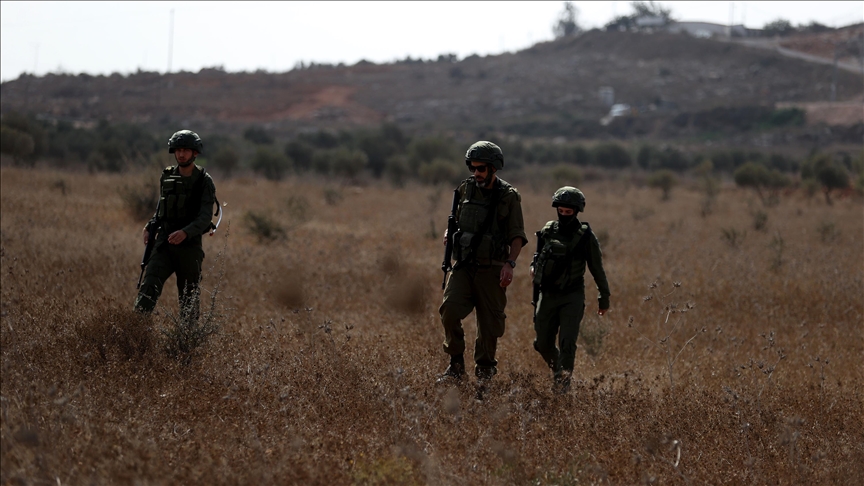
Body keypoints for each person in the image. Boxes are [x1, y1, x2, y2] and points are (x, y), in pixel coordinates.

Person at [438, 141, 528, 383]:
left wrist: (510, 264)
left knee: (489, 325)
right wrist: (451, 233)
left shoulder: (508, 196)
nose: (475, 173)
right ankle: (456, 366)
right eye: (472, 167)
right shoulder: (465, 190)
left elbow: (517, 236)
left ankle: (485, 375)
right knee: (449, 310)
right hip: (464, 266)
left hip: (492, 269)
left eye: (480, 168)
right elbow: (456, 220)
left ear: (493, 168)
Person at [530, 186, 610, 393]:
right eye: (561, 211)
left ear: (577, 211)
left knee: (567, 343)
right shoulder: (548, 231)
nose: (564, 215)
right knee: (542, 343)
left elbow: (597, 269)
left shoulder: (585, 237)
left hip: (572, 296)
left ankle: (562, 386)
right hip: (547, 294)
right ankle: (559, 370)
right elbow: (538, 258)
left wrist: (604, 297)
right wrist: (534, 268)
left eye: (569, 212)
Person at [133, 130, 217, 319]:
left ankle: (187, 344)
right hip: (164, 243)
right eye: (178, 150)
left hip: (189, 247)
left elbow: (205, 217)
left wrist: (186, 233)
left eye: (186, 150)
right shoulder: (167, 175)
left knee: (189, 299)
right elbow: (161, 208)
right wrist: (150, 225)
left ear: (195, 153)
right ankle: (135, 333)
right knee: (148, 289)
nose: (181, 154)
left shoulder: (204, 181)